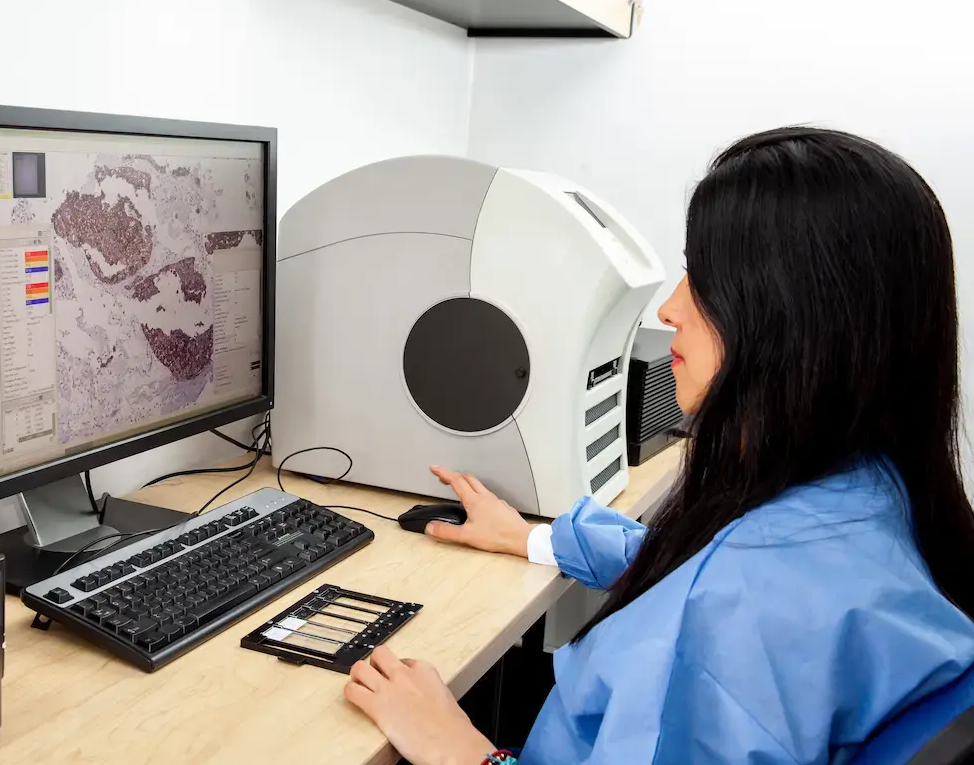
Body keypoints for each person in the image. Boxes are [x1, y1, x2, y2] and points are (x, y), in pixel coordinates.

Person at [342, 128, 974, 765]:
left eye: (702, 279)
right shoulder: (869, 489)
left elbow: (723, 597)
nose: (670, 308)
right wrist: (534, 537)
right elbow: (703, 574)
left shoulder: (741, 605)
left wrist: (457, 749)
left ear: (790, 314)